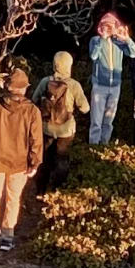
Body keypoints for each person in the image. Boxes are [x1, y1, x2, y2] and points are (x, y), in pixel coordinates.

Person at [0, 65, 43, 252]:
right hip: (19, 162)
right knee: (13, 198)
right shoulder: (32, 110)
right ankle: (8, 235)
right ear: (24, 88)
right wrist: (35, 162)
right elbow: (36, 139)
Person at [34, 49, 88, 187]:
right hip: (66, 129)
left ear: (54, 64)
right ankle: (58, 187)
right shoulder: (74, 85)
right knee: (62, 158)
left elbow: (34, 100)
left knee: (45, 157)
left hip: (47, 127)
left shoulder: (45, 81)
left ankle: (41, 187)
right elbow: (85, 108)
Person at [86, 9, 132, 148]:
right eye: (104, 25)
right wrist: (102, 39)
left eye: (110, 26)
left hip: (115, 86)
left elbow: (134, 53)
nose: (107, 28)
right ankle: (93, 146)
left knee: (109, 120)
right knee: (96, 120)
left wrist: (127, 39)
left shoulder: (119, 42)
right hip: (100, 85)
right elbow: (93, 56)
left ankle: (104, 145)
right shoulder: (95, 40)